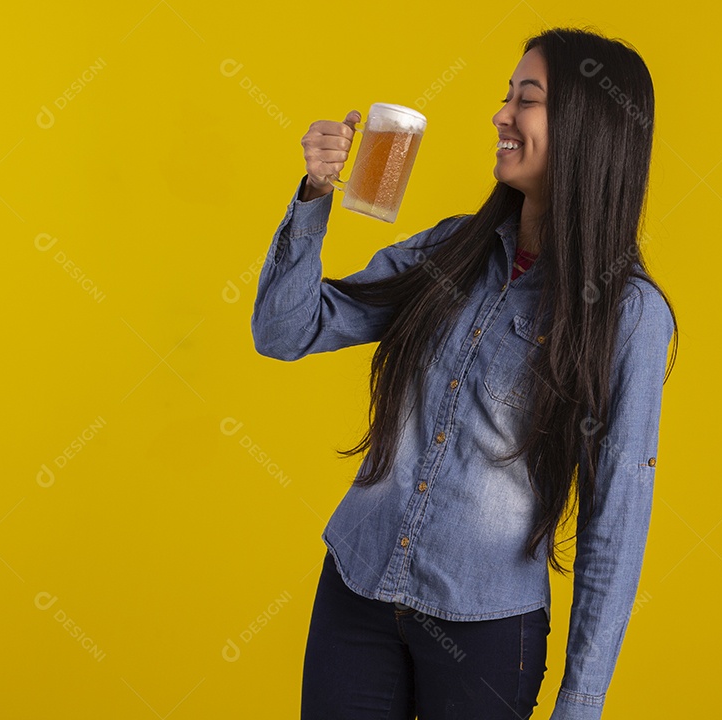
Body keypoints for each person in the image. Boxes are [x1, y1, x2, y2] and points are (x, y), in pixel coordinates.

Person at [251, 25, 678, 720]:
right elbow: (284, 330)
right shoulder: (452, 247)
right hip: (356, 594)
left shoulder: (628, 315)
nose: (500, 115)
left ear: (587, 128)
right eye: (506, 96)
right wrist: (313, 198)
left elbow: (615, 524)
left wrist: (582, 702)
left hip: (485, 629)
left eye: (526, 100)